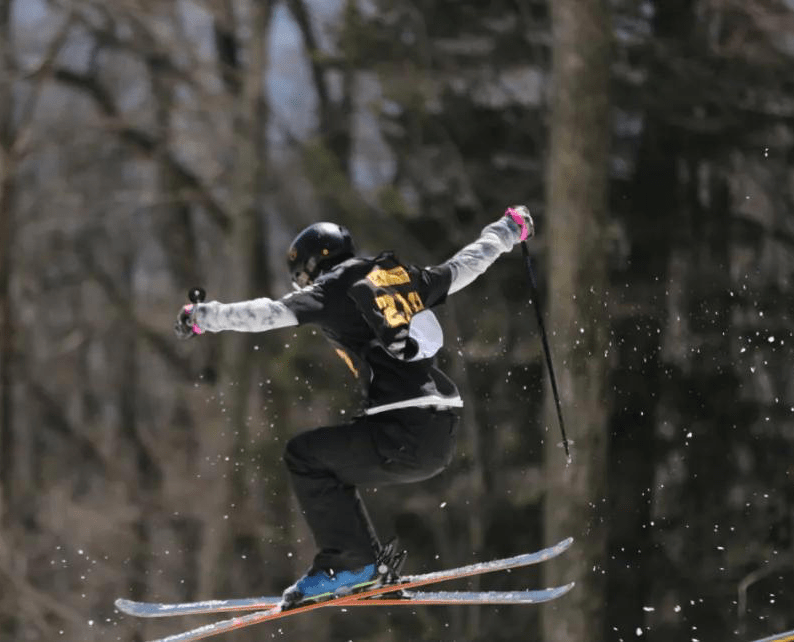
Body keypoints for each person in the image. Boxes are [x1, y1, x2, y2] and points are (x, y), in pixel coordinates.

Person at [174, 206, 535, 604]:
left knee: (305, 457)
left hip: (404, 428)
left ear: (314, 265)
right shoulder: (397, 275)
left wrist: (204, 316)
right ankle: (359, 566)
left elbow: (270, 313)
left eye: (302, 277)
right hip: (442, 428)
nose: (303, 284)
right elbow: (464, 265)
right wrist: (505, 231)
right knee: (330, 461)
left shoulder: (332, 287)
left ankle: (349, 565)